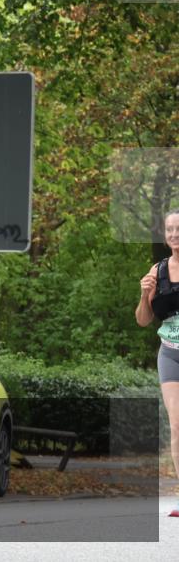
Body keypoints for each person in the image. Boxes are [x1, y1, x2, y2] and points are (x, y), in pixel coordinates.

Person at [136, 208, 179, 518]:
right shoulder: (157, 270)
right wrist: (144, 295)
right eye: (170, 229)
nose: (175, 234)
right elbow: (143, 320)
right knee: (177, 425)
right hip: (170, 353)